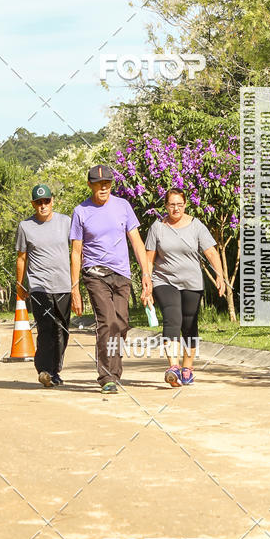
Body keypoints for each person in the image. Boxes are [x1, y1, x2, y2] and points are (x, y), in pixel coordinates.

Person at [70, 165, 150, 394]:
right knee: (108, 321)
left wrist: (146, 273)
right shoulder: (81, 211)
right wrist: (74, 287)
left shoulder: (123, 207)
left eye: (107, 183)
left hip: (121, 274)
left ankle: (113, 370)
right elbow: (76, 251)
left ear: (111, 185)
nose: (103, 187)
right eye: (98, 183)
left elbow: (136, 241)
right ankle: (107, 375)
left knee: (122, 323)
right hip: (94, 273)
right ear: (90, 185)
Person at [144, 187, 226, 386]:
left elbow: (211, 252)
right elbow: (148, 259)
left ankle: (187, 367)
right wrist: (147, 282)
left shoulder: (196, 226)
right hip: (165, 280)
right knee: (172, 318)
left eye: (179, 204)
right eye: (171, 205)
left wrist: (220, 275)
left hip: (192, 282)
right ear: (165, 206)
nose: (176, 208)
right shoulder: (157, 228)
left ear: (185, 204)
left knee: (189, 324)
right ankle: (173, 367)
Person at [16, 183, 71, 388]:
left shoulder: (66, 222)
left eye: (46, 201)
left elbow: (76, 250)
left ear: (52, 201)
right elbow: (22, 257)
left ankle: (55, 370)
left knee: (62, 330)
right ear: (33, 204)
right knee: (46, 328)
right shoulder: (25, 226)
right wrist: (20, 284)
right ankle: (45, 370)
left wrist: (76, 282)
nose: (43, 205)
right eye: (38, 202)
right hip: (39, 286)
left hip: (64, 285)